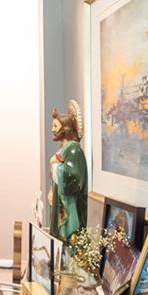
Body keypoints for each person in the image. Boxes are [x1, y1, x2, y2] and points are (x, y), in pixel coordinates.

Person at [49, 100, 88, 246]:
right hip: (60, 206)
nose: (52, 130)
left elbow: (73, 178)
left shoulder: (73, 150)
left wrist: (54, 164)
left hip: (71, 209)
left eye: (55, 126)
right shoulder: (63, 149)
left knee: (70, 245)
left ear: (65, 128)